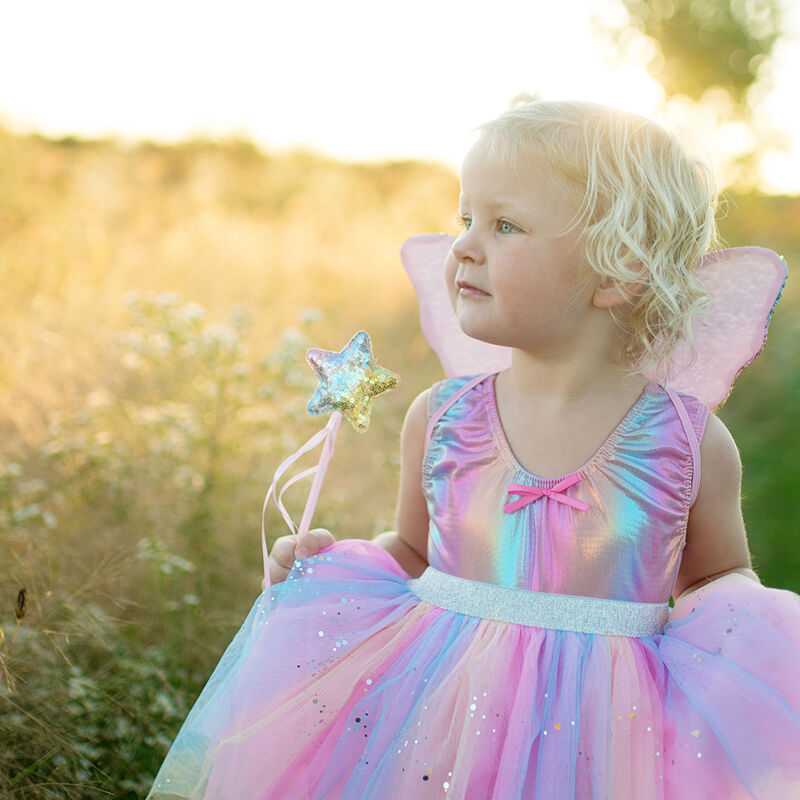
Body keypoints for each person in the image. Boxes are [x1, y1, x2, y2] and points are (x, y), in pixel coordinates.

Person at [147, 100, 799, 799]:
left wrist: (752, 630)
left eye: (505, 225)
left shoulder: (686, 441)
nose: (462, 245)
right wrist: (330, 573)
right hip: (438, 720)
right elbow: (414, 553)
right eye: (466, 220)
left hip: (608, 738)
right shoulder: (443, 418)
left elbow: (714, 586)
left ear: (618, 272)